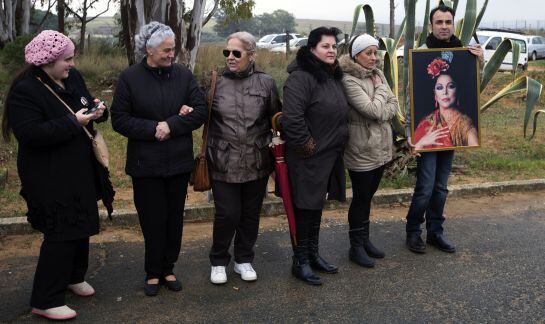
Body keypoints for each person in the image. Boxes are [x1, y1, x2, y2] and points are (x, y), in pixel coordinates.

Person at [1, 30, 108, 320]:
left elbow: (85, 102)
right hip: (48, 174)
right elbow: (31, 134)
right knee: (61, 230)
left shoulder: (72, 78)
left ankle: (74, 276)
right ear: (47, 61)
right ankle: (46, 299)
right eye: (67, 59)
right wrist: (73, 121)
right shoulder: (26, 90)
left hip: (80, 167)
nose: (72, 64)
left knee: (83, 222)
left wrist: (99, 111)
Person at [110, 22, 207, 296]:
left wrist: (173, 124)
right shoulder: (130, 77)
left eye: (173, 49)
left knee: (174, 219)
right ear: (149, 50)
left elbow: (201, 111)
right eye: (166, 50)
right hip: (145, 164)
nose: (171, 54)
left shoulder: (183, 75)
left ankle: (168, 268)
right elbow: (119, 119)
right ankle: (152, 272)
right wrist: (155, 129)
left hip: (178, 162)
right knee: (152, 220)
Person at [405, 5, 484, 254]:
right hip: (427, 135)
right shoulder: (421, 55)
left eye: (448, 22)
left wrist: (480, 61)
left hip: (452, 134)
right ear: (431, 26)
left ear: (453, 25)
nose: (443, 26)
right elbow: (412, 97)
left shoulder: (466, 54)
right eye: (438, 22)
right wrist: (412, 133)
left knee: (441, 187)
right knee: (426, 187)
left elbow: (472, 89)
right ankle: (413, 232)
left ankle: (435, 232)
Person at [207, 31, 281, 285]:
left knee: (250, 213)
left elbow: (276, 117)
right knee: (227, 214)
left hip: (256, 159)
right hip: (222, 160)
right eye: (226, 52)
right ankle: (218, 261)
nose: (230, 57)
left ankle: (243, 259)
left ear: (251, 55)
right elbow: (198, 112)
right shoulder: (213, 81)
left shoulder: (266, 83)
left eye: (236, 53)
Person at [282, 26, 349, 285]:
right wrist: (307, 147)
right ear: (312, 49)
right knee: (303, 209)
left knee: (315, 208)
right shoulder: (302, 78)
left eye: (334, 46)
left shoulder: (330, 75)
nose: (331, 50)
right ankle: (300, 261)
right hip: (308, 157)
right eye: (325, 46)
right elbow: (292, 118)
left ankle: (313, 254)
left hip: (327, 156)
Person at [339, 34, 399, 267]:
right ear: (356, 55)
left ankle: (364, 240)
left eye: (376, 53)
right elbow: (372, 110)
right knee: (361, 197)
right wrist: (382, 93)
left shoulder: (377, 74)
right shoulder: (348, 79)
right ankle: (355, 246)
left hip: (381, 146)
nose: (374, 58)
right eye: (369, 53)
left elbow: (393, 105)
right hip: (361, 147)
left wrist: (381, 98)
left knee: (369, 197)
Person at [413, 56, 478, 150]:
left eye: (450, 86)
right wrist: (422, 142)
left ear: (457, 91)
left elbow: (475, 149)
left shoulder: (464, 125)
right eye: (440, 88)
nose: (445, 92)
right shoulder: (426, 122)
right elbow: (412, 152)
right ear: (435, 94)